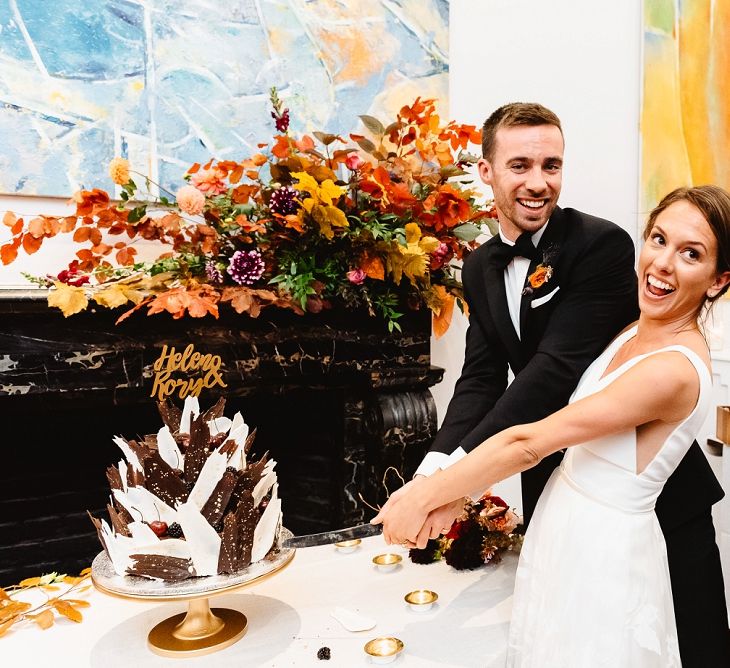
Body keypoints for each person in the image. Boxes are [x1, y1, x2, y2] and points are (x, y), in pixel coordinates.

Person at [374, 185, 730, 666]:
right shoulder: (633, 326)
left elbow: (528, 441)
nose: (663, 263)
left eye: (691, 253)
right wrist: (452, 486)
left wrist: (426, 493)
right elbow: (489, 380)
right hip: (567, 525)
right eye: (659, 239)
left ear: (717, 279)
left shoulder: (671, 370)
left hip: (608, 547)